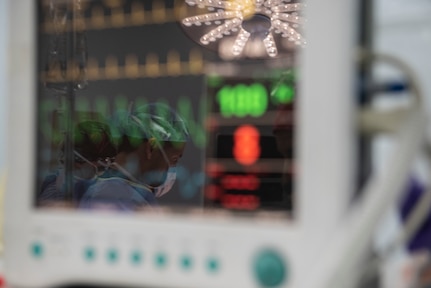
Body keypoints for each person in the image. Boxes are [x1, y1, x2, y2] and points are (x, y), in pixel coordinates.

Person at [79, 103, 189, 211]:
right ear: (151, 148)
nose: (173, 171)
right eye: (174, 159)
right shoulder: (112, 199)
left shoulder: (127, 194)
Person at [38, 120, 117, 204]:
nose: (106, 164)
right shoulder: (58, 195)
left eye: (109, 159)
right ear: (77, 160)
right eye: (101, 160)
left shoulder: (98, 187)